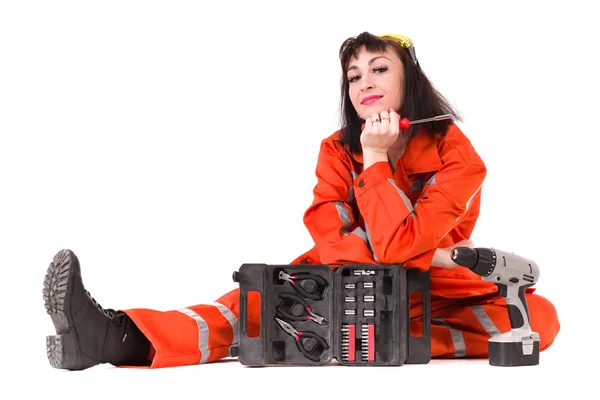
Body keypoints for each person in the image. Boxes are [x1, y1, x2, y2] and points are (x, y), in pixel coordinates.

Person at [43, 32, 560, 370]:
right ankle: (113, 337)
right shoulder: (336, 150)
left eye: (379, 69)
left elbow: (404, 245)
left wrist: (378, 163)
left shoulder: (458, 155)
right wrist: (378, 179)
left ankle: (382, 335)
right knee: (245, 308)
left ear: (410, 79)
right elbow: (331, 234)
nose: (364, 85)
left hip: (436, 289)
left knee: (540, 317)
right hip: (340, 276)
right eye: (354, 77)